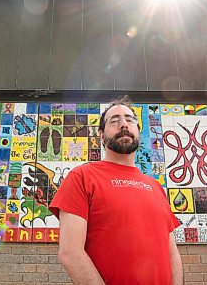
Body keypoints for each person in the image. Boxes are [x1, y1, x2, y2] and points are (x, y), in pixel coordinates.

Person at [48, 97, 183, 285]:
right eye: (114, 121)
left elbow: (173, 254)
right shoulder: (82, 177)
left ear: (138, 130)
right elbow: (70, 252)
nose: (124, 125)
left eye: (130, 120)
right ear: (101, 134)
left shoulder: (156, 187)